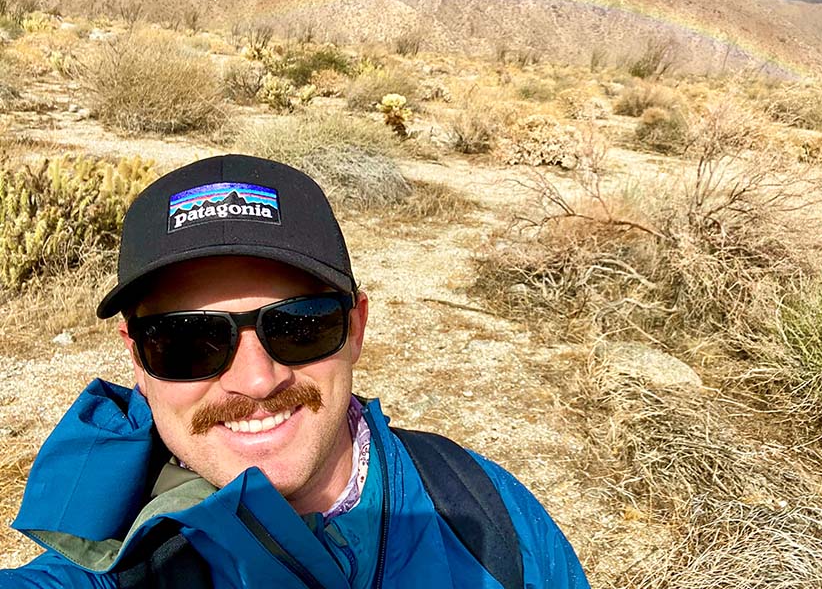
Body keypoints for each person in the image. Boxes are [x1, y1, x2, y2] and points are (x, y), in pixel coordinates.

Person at [0, 154, 589, 588]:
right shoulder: (103, 565)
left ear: (356, 329)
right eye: (188, 341)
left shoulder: (482, 507)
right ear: (136, 353)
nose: (257, 382)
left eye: (299, 327)